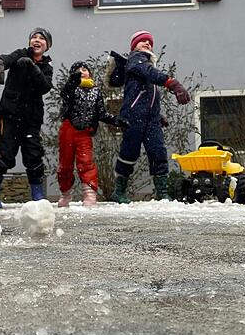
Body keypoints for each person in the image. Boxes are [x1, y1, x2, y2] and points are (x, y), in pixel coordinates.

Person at [109, 30, 190, 203]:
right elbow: (149, 74)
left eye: (149, 42)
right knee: (129, 153)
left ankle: (162, 193)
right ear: (134, 47)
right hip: (133, 117)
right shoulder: (136, 59)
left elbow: (146, 95)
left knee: (158, 151)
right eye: (142, 41)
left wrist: (158, 115)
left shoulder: (147, 65)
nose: (147, 44)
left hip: (151, 119)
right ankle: (119, 191)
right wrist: (172, 83)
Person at [0, 27, 54, 209]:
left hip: (31, 119)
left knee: (34, 156)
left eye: (42, 39)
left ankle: (38, 195)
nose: (37, 40)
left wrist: (32, 67)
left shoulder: (47, 66)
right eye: (34, 37)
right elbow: (4, 59)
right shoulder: (20, 54)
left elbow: (45, 87)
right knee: (5, 153)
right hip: (10, 116)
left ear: (47, 46)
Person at [57, 61, 129, 207]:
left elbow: (101, 113)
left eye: (84, 69)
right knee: (65, 164)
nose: (81, 71)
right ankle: (65, 194)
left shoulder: (95, 91)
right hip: (68, 130)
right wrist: (72, 82)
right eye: (77, 70)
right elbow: (65, 95)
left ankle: (89, 194)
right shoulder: (71, 89)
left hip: (85, 133)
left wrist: (116, 121)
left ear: (90, 74)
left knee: (86, 163)